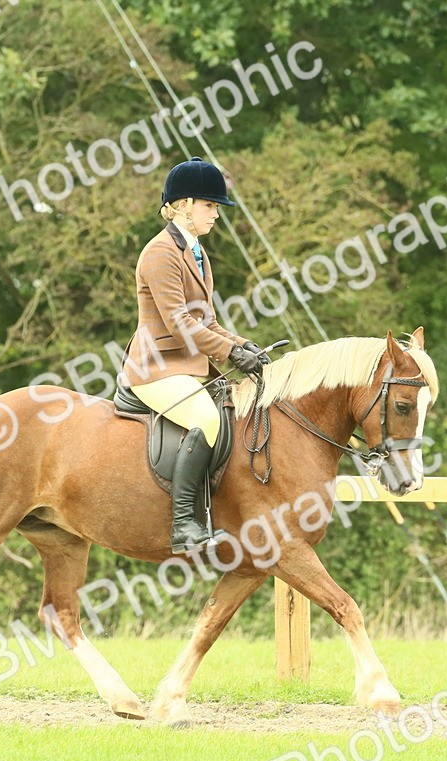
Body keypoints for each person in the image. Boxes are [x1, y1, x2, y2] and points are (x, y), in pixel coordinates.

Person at [120, 156, 271, 554]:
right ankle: (184, 522)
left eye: (216, 207)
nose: (216, 215)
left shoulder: (198, 254)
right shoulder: (160, 253)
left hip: (185, 366)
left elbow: (208, 321)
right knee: (205, 418)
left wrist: (242, 346)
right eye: (210, 206)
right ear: (184, 204)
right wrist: (230, 354)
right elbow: (179, 323)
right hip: (155, 368)